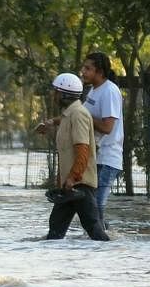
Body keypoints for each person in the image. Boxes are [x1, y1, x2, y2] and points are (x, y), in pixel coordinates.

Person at [40, 72, 109, 241]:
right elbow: (67, 154)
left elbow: (82, 150)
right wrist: (63, 180)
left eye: (56, 92)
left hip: (80, 186)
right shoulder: (67, 116)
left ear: (64, 94)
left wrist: (73, 177)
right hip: (69, 186)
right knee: (54, 234)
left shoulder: (78, 114)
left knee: (96, 233)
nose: (53, 96)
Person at [80, 52, 124, 230]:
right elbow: (80, 114)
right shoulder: (94, 90)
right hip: (96, 157)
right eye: (83, 68)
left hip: (108, 158)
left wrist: (86, 117)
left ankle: (103, 242)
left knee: (96, 204)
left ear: (99, 72)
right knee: (91, 204)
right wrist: (54, 122)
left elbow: (107, 127)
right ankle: (102, 239)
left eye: (87, 68)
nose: (83, 72)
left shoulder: (110, 91)